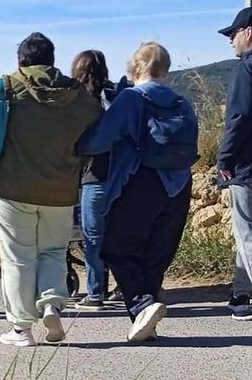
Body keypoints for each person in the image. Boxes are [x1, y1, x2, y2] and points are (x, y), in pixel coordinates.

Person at [0, 32, 101, 346]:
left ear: (21, 60)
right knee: (53, 252)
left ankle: (21, 330)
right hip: (60, 189)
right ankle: (51, 304)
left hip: (12, 187)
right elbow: (96, 122)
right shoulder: (76, 94)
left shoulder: (5, 87)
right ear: (51, 61)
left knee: (18, 258)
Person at [78, 42, 196, 341]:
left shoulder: (131, 98)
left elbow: (100, 141)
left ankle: (142, 305)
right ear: (165, 68)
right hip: (179, 185)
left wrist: (75, 145)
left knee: (114, 249)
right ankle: (145, 318)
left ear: (136, 67)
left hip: (139, 182)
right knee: (154, 255)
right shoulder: (182, 103)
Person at [70, 50, 122, 310]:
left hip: (92, 175)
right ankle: (123, 286)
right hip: (121, 175)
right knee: (118, 235)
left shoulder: (78, 100)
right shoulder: (116, 96)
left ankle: (95, 293)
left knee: (93, 237)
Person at [217, 7, 252, 320]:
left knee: (248, 234)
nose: (231, 41)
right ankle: (241, 294)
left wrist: (225, 157)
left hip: (248, 164)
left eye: (232, 34)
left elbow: (239, 117)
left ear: (248, 32)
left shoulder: (248, 68)